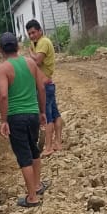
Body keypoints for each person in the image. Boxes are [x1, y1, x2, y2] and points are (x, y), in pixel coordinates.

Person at [0, 31, 48, 208]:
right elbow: (41, 88)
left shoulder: (3, 68)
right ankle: (37, 185)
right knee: (33, 150)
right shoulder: (30, 63)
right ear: (18, 46)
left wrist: (4, 120)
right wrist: (42, 111)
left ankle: (32, 197)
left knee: (24, 155)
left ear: (1, 49)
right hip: (33, 114)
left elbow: (3, 96)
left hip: (16, 116)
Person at [25, 19, 62, 155]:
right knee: (55, 114)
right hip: (47, 83)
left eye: (33, 32)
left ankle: (49, 147)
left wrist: (30, 52)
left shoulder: (43, 42)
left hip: (45, 85)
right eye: (29, 34)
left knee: (47, 116)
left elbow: (37, 60)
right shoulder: (37, 43)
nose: (32, 36)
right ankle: (58, 143)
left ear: (40, 31)